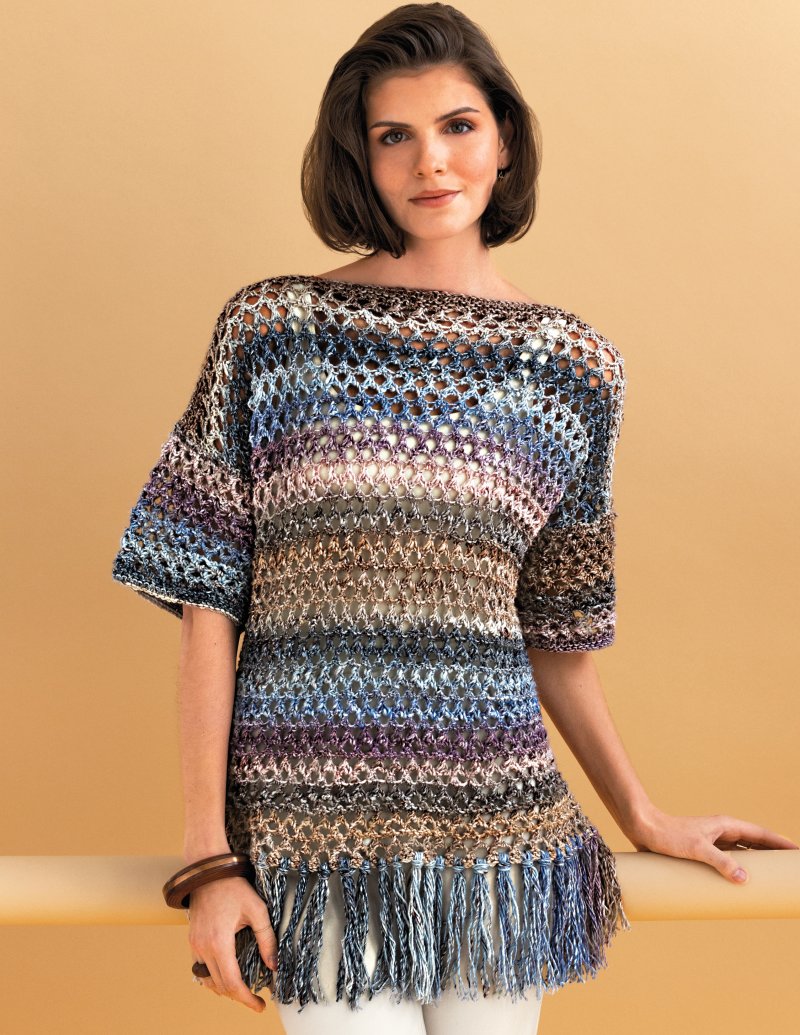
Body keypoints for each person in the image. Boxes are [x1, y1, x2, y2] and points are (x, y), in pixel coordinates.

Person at [111, 4, 798, 1034]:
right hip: (312, 832)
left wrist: (641, 813)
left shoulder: (575, 367)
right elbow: (207, 602)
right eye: (393, 135)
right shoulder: (272, 330)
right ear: (359, 156)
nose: (429, 161)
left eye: (458, 126)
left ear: (504, 139)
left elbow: (556, 636)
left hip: (496, 841)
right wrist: (209, 857)